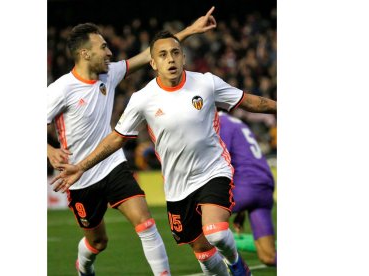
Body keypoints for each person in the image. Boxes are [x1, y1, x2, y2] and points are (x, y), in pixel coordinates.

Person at [51, 30, 277, 276]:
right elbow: (117, 137)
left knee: (216, 233)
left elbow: (251, 101)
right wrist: (78, 165)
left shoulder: (206, 83)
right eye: (163, 55)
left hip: (213, 171)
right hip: (176, 187)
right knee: (202, 253)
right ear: (153, 63)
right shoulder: (141, 99)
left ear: (183, 58)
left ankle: (236, 264)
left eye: (175, 53)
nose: (170, 59)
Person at [47, 8, 218, 276]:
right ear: (85, 53)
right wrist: (49, 149)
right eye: (103, 47)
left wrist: (189, 31)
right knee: (98, 242)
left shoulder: (109, 74)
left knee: (146, 223)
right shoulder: (61, 89)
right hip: (78, 176)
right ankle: (84, 266)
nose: (109, 53)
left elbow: (149, 55)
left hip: (112, 164)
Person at [218, 112, 277, 266]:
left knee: (202, 223)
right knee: (268, 257)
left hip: (245, 186)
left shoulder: (219, 124)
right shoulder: (237, 123)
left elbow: (221, 161)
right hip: (264, 184)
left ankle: (236, 269)